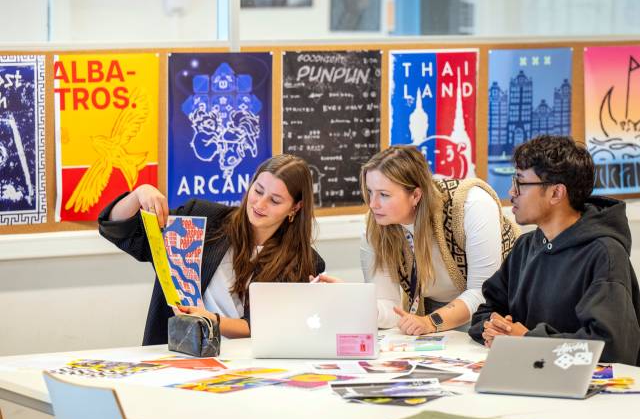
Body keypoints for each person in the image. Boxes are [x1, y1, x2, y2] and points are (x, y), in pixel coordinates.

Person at [98, 154, 325, 344]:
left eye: (274, 201)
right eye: (258, 190)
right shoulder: (201, 219)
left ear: (295, 208)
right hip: (177, 357)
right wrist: (140, 193)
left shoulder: (304, 262)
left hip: (246, 367)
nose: (260, 204)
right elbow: (119, 229)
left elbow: (263, 325)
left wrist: (210, 319)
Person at [469, 135, 640, 366]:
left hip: (589, 385)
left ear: (556, 193)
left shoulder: (605, 254)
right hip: (530, 373)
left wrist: (528, 341)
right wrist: (493, 327)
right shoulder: (526, 246)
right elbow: (486, 311)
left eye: (520, 182)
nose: (511, 192)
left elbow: (608, 349)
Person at [321, 145, 519, 334]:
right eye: (370, 192)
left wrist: (430, 322)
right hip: (435, 312)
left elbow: (481, 292)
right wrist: (354, 300)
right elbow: (390, 308)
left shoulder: (471, 204)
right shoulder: (375, 227)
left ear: (415, 195)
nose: (373, 204)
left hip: (502, 312)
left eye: (384, 195)